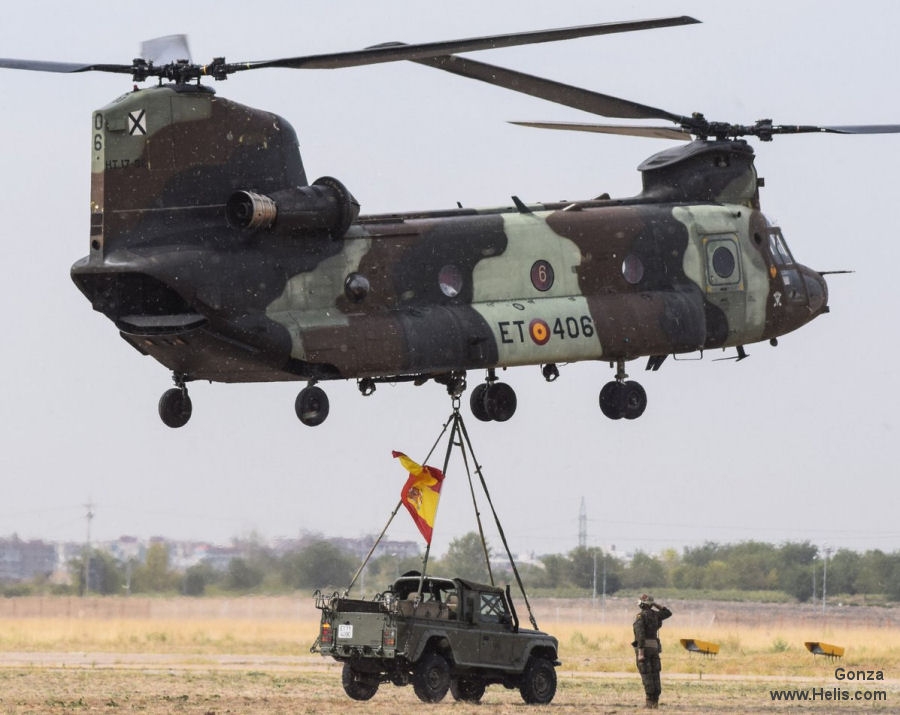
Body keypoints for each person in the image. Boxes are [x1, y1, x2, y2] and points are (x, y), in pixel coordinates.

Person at [632, 594, 672, 709]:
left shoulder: (640, 617)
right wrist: (655, 604)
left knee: (647, 674)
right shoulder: (656, 615)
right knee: (655, 674)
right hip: (654, 648)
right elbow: (668, 613)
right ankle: (655, 702)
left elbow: (640, 636)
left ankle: (649, 702)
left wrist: (640, 653)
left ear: (641, 604)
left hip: (644, 649)